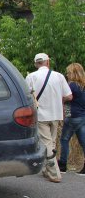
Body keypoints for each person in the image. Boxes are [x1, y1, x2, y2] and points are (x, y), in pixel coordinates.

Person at [25, 53, 72, 183]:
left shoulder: (31, 77)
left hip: (41, 115)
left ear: (36, 64)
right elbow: (69, 96)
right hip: (56, 114)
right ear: (48, 62)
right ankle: (47, 169)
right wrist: (57, 99)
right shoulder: (59, 76)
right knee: (51, 142)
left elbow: (26, 96)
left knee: (46, 143)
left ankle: (54, 173)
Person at [58, 63, 85, 175]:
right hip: (82, 116)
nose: (67, 75)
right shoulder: (83, 85)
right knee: (83, 142)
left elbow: (67, 97)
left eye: (68, 72)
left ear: (73, 73)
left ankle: (63, 165)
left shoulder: (71, 85)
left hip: (72, 116)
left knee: (64, 140)